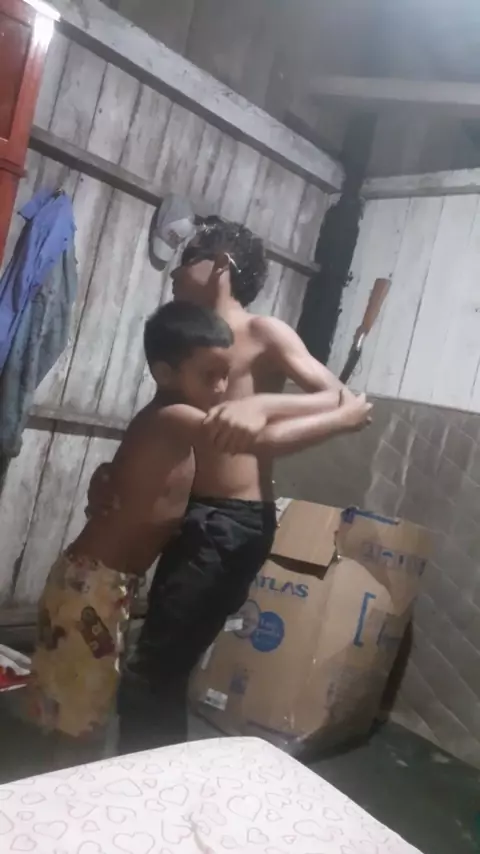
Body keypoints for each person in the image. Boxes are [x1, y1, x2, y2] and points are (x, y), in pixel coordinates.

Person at [88, 222, 372, 753]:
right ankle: (148, 775)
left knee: (154, 671)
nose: (174, 272)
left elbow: (342, 400)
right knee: (155, 663)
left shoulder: (264, 332)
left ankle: (152, 788)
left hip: (227, 521)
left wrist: (259, 405)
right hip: (187, 513)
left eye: (186, 258)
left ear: (220, 265)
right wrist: (110, 474)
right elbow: (161, 423)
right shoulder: (191, 339)